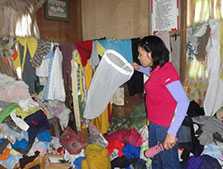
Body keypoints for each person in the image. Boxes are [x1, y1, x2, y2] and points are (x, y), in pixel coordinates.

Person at [133, 35, 189, 169]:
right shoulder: (157, 68)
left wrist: (172, 133)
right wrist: (139, 68)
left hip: (166, 126)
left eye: (140, 54)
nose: (139, 57)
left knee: (169, 163)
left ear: (150, 53)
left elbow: (184, 102)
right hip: (154, 123)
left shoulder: (167, 71)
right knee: (156, 160)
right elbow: (154, 75)